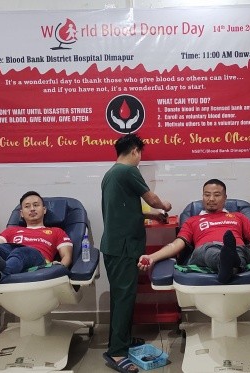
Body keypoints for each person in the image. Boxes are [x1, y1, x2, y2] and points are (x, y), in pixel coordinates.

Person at [100, 133, 171, 373]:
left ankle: (122, 341)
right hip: (123, 248)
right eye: (139, 154)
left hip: (114, 246)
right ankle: (117, 353)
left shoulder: (110, 175)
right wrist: (164, 207)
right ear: (134, 151)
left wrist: (151, 216)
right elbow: (151, 199)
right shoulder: (129, 171)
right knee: (124, 299)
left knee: (123, 298)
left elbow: (124, 211)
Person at [137, 179, 250, 283]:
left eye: (217, 195)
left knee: (239, 251)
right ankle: (227, 261)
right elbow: (176, 245)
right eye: (207, 194)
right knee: (211, 251)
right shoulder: (193, 221)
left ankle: (228, 263)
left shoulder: (238, 217)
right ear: (202, 197)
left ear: (225, 198)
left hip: (236, 249)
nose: (211, 199)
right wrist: (152, 257)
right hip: (205, 251)